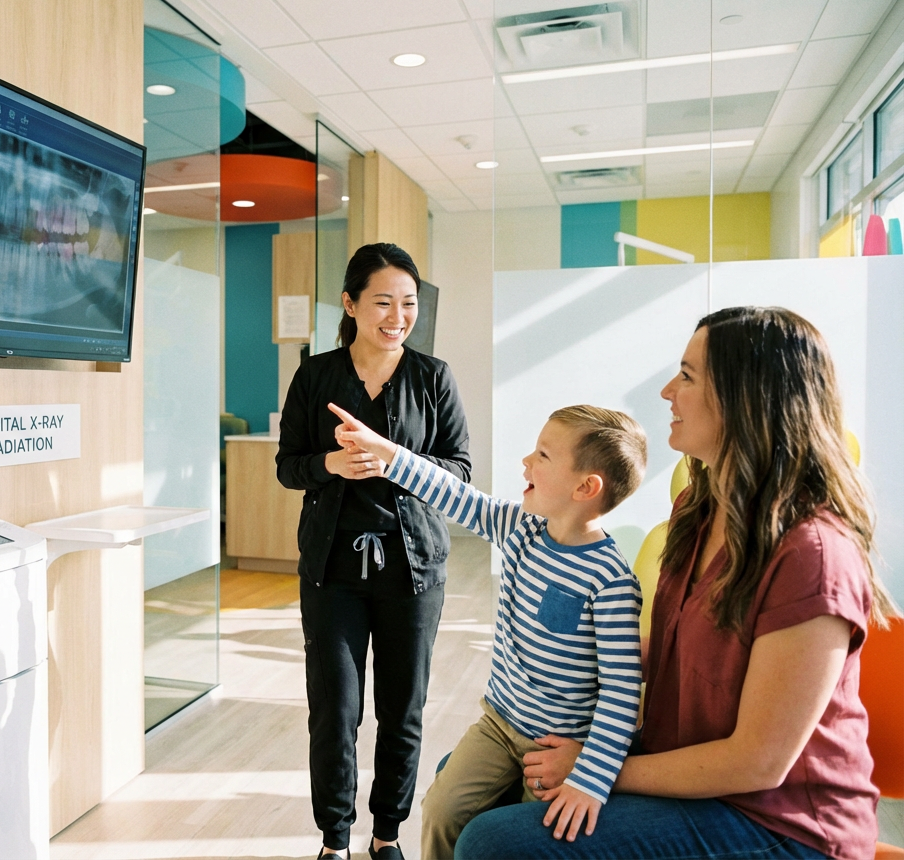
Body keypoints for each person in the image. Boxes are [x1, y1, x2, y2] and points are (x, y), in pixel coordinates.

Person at [454, 306, 900, 860]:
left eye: (687, 376)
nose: (668, 390)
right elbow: (684, 654)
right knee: (471, 782)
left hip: (779, 822)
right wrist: (579, 653)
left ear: (747, 398)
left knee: (493, 842)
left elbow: (758, 761)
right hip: (692, 764)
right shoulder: (699, 506)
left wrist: (594, 772)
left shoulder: (813, 553)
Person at [330, 402, 647, 859]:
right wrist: (387, 453)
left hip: (554, 745)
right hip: (498, 724)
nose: (526, 462)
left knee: (518, 844)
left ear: (585, 487)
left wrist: (590, 780)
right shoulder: (521, 527)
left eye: (543, 455)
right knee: (441, 810)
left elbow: (622, 690)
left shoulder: (611, 582)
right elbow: (453, 495)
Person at [276, 243, 472, 860]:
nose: (397, 316)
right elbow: (288, 467)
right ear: (351, 304)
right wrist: (332, 463)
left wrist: (394, 458)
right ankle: (335, 842)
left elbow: (461, 472)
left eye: (408, 303)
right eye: (383, 301)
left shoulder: (433, 376)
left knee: (402, 709)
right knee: (334, 712)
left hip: (413, 571)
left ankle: (385, 837)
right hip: (332, 568)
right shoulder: (315, 375)